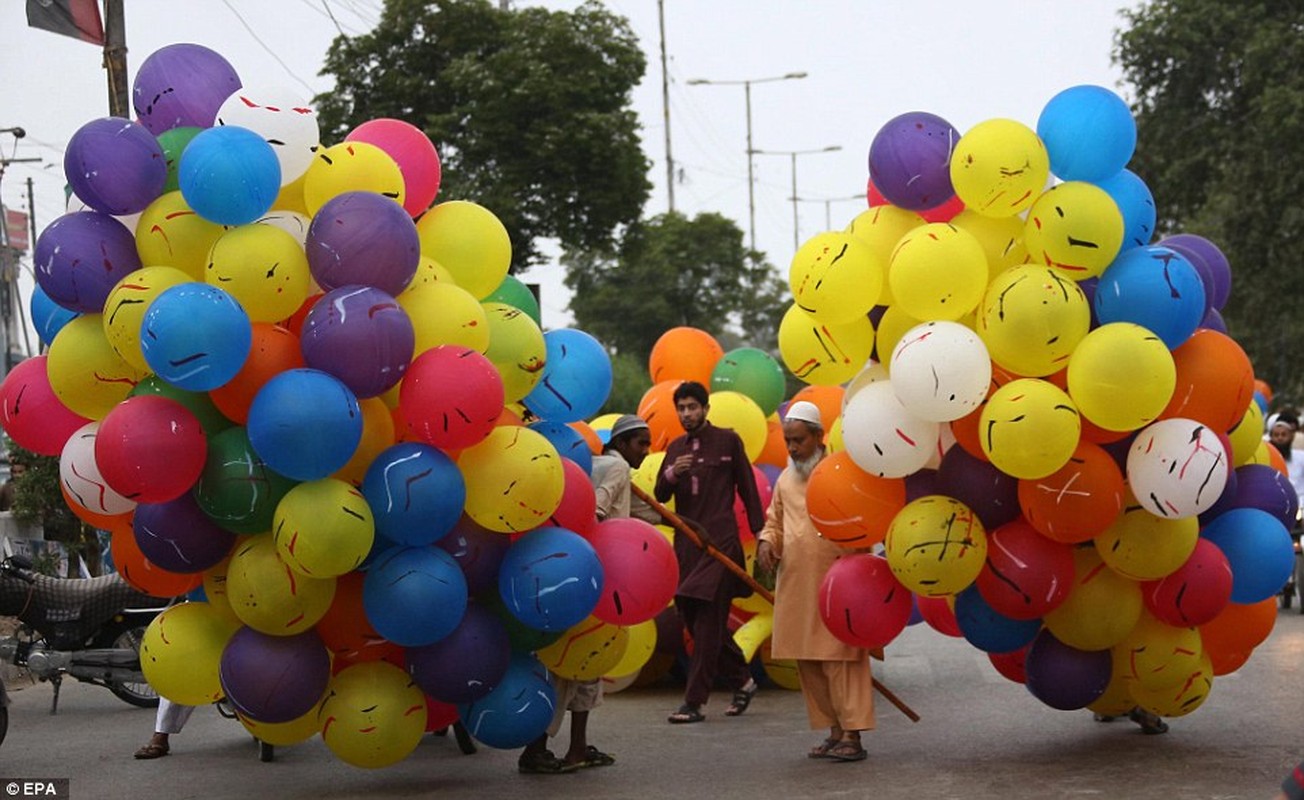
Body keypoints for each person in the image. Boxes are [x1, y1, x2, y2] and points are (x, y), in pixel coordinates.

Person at [517, 414, 653, 774]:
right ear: (621, 444)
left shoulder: (602, 466)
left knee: (587, 664)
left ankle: (578, 748)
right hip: (589, 575)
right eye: (641, 442)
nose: (647, 450)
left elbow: (638, 514)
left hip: (578, 573)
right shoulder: (618, 467)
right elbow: (595, 510)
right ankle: (535, 747)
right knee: (571, 662)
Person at [755, 401, 874, 762]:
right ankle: (834, 731)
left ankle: (852, 735)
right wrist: (766, 541)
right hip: (796, 583)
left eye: (799, 441)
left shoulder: (839, 472)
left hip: (838, 582)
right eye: (788, 441)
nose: (791, 448)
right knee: (808, 660)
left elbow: (863, 523)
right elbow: (774, 520)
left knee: (841, 658)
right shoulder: (787, 479)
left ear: (819, 437)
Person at [654, 381, 765, 724]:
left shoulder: (728, 441)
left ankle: (694, 702)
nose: (687, 414)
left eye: (692, 407)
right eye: (682, 408)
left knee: (706, 624)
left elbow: (748, 489)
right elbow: (659, 493)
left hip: (720, 545)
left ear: (705, 408)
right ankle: (743, 681)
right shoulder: (674, 449)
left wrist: (762, 536)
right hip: (688, 546)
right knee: (695, 619)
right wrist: (674, 473)